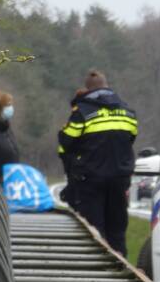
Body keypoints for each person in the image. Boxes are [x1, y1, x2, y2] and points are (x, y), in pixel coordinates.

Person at [58, 70, 138, 255]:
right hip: (120, 179)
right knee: (117, 229)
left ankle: (98, 271)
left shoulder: (82, 113)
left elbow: (67, 141)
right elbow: (131, 138)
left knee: (94, 229)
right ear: (107, 86)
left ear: (87, 89)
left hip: (91, 180)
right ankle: (122, 268)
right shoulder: (128, 112)